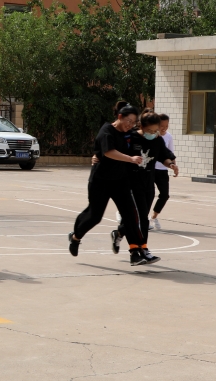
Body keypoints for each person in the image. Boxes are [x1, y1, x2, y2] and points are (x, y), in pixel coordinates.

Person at [69, 103, 147, 266]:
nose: (130, 125)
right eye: (128, 121)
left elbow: (143, 135)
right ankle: (76, 237)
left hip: (120, 180)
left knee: (130, 215)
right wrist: (130, 159)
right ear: (119, 117)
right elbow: (108, 152)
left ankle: (135, 253)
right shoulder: (106, 131)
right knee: (95, 216)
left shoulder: (130, 133)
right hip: (101, 181)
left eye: (134, 122)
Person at [105, 110, 178, 263]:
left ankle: (119, 233)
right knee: (141, 219)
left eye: (155, 130)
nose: (152, 133)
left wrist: (171, 164)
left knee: (138, 217)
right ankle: (141, 250)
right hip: (131, 183)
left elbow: (164, 156)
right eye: (149, 130)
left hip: (148, 184)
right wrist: (97, 156)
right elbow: (114, 150)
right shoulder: (130, 137)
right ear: (141, 126)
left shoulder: (158, 140)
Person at [150, 114, 173, 231]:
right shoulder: (152, 136)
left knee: (165, 195)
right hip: (151, 169)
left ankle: (153, 217)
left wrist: (173, 165)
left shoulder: (169, 137)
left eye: (166, 126)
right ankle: (142, 219)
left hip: (163, 170)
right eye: (162, 126)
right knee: (149, 194)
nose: (164, 128)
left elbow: (170, 153)